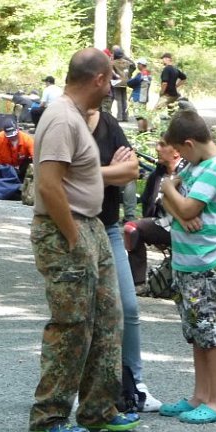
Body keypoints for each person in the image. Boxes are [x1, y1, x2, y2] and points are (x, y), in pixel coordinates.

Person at [27, 47, 140, 432]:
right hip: (66, 228)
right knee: (71, 323)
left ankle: (98, 408)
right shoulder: (61, 118)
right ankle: (49, 416)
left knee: (108, 318)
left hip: (92, 225)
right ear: (98, 79)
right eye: (110, 81)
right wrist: (73, 237)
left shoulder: (75, 116)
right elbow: (48, 185)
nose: (111, 90)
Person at [156, 110, 216, 425]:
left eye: (179, 150)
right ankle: (200, 395)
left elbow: (185, 204)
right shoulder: (195, 166)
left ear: (189, 144)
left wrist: (168, 189)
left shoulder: (215, 168)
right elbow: (171, 205)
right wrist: (175, 205)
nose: (178, 157)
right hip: (186, 262)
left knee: (211, 331)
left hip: (204, 263)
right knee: (196, 332)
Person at [88, 106, 163, 413]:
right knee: (87, 309)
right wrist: (110, 172)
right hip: (76, 226)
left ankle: (135, 383)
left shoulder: (107, 122)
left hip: (109, 227)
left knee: (129, 307)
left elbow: (132, 170)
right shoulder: (64, 121)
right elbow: (61, 179)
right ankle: (84, 387)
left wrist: (91, 174)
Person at [124, 138, 186, 286]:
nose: (157, 148)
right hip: (163, 224)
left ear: (177, 152)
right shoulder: (157, 175)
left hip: (187, 226)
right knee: (131, 229)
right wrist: (151, 230)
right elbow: (148, 206)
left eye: (163, 145)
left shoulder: (190, 173)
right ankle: (137, 283)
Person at [127, 57, 152, 133]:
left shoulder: (140, 74)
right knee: (143, 115)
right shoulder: (149, 74)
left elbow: (131, 82)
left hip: (138, 96)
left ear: (141, 64)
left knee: (138, 116)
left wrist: (129, 79)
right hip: (144, 97)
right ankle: (145, 131)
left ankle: (141, 131)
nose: (137, 66)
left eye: (138, 64)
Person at [111, 45, 135, 122]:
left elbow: (109, 68)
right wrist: (129, 74)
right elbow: (133, 66)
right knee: (124, 99)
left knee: (119, 99)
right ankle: (126, 116)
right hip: (125, 81)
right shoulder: (127, 62)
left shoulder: (113, 63)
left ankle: (120, 117)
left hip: (117, 82)